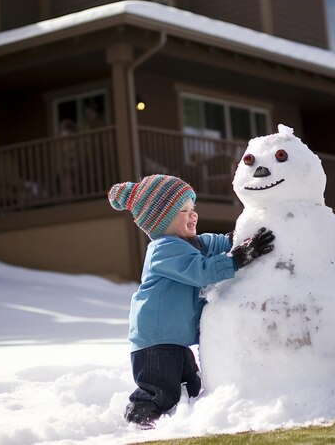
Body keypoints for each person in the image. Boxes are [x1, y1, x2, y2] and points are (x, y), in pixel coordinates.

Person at [108, 174, 274, 427]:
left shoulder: (194, 243)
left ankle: (181, 422)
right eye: (183, 210)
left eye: (192, 208)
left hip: (175, 338)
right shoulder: (163, 249)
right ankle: (140, 419)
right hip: (156, 339)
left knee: (191, 385)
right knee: (160, 390)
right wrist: (238, 259)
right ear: (160, 220)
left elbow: (222, 242)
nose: (192, 214)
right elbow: (200, 271)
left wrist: (245, 234)